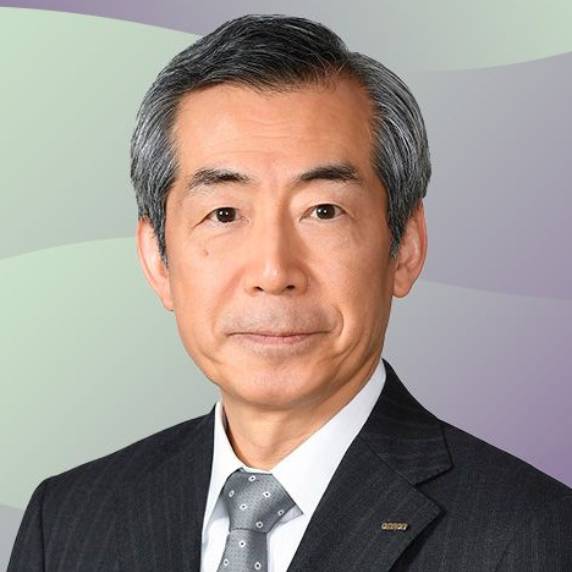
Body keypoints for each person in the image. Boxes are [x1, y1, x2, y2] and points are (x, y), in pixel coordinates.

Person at [8, 13, 572, 572]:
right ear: (157, 259)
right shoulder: (67, 521)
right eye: (224, 214)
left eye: (323, 211)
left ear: (405, 246)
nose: (274, 271)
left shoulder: (531, 535)